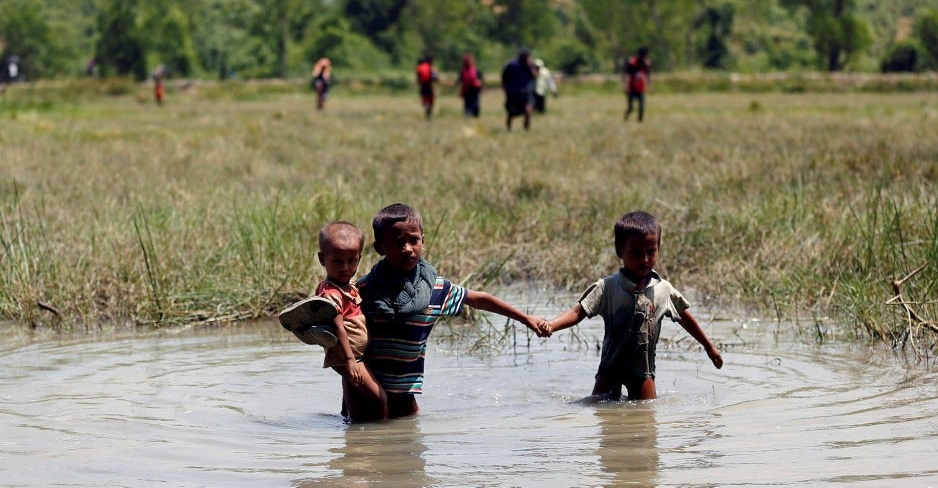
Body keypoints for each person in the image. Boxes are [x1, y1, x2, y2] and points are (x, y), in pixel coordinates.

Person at [351, 203, 547, 418]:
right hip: (366, 387)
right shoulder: (367, 289)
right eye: (398, 243)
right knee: (362, 439)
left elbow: (481, 300)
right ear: (380, 248)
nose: (407, 248)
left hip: (405, 389)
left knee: (408, 439)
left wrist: (525, 318)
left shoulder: (437, 289)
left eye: (413, 240)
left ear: (423, 241)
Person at [540, 210, 723, 401]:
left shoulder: (663, 290)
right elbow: (578, 312)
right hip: (610, 368)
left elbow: (685, 318)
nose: (644, 259)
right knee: (598, 409)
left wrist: (709, 347)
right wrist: (551, 325)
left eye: (651, 251)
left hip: (643, 371)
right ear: (620, 251)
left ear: (658, 249)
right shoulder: (608, 287)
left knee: (645, 417)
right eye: (636, 253)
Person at [278, 221, 388, 421]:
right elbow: (339, 328)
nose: (345, 268)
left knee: (354, 398)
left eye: (352, 261)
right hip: (347, 357)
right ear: (322, 259)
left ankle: (351, 429)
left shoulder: (350, 286)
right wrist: (350, 362)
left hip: (356, 356)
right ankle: (383, 435)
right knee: (380, 399)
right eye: (337, 261)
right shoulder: (331, 293)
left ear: (359, 258)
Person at [501, 48, 537, 131]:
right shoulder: (512, 65)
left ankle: (526, 129)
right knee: (511, 113)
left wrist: (530, 66)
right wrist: (506, 88)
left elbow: (534, 75)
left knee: (528, 110)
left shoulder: (530, 65)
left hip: (526, 93)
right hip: (514, 93)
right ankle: (509, 128)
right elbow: (504, 77)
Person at [623, 47, 651, 122]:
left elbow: (648, 75)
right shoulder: (632, 62)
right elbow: (627, 75)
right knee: (631, 108)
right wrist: (626, 87)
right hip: (631, 88)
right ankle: (626, 117)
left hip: (640, 88)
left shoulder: (645, 63)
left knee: (642, 106)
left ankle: (640, 121)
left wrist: (650, 86)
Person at [457, 53, 484, 118]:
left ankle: (468, 114)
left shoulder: (463, 71)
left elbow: (460, 80)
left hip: (467, 89)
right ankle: (474, 115)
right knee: (475, 102)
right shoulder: (476, 70)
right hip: (475, 88)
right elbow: (481, 79)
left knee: (468, 103)